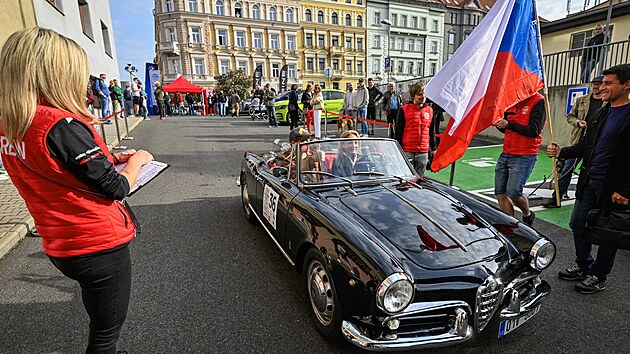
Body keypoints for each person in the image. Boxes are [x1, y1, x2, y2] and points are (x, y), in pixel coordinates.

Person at [0, 27, 154, 354]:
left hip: (60, 242)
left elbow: (54, 164)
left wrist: (110, 157)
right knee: (106, 333)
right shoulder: (60, 125)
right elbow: (115, 187)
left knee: (98, 311)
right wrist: (137, 161)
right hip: (96, 242)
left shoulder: (13, 123)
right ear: (57, 73)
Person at [547, 64, 630, 294]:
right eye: (602, 83)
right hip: (589, 180)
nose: (601, 87)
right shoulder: (602, 112)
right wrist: (562, 151)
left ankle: (599, 276)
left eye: (608, 83)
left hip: (614, 188)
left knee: (608, 234)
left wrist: (625, 189)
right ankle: (584, 265)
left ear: (627, 84)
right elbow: (586, 146)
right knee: (577, 223)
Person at [543, 75, 604, 208]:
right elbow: (570, 116)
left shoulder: (607, 103)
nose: (596, 87)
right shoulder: (582, 100)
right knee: (566, 169)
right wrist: (578, 122)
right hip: (578, 141)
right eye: (594, 84)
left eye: (598, 84)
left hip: (597, 144)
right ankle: (556, 198)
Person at [493, 92, 546, 226]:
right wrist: (499, 125)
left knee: (514, 192)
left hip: (525, 154)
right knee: (500, 192)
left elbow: (534, 131)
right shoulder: (511, 101)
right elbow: (507, 130)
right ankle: (510, 226)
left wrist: (508, 125)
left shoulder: (538, 101)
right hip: (506, 152)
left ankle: (527, 214)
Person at [394, 82, 434, 177]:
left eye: (424, 94)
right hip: (407, 151)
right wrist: (398, 150)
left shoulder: (430, 110)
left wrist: (433, 148)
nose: (423, 96)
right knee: (406, 179)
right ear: (413, 95)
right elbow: (398, 132)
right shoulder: (404, 109)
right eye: (419, 94)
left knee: (420, 179)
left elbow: (432, 131)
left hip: (423, 152)